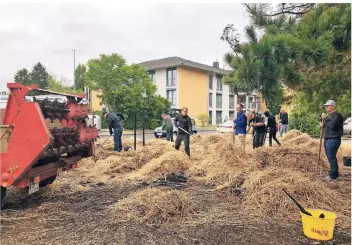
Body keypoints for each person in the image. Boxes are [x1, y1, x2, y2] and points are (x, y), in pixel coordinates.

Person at [320, 100, 344, 180]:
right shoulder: (329, 116)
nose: (326, 107)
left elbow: (332, 126)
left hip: (333, 139)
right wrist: (322, 124)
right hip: (328, 139)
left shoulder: (337, 115)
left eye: (328, 105)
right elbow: (326, 126)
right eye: (325, 106)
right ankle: (334, 174)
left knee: (331, 157)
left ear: (333, 106)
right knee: (330, 157)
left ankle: (333, 176)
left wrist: (325, 119)